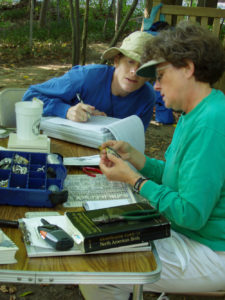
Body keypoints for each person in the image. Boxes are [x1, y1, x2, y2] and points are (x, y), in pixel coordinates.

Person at [79, 21, 225, 299]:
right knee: (96, 240)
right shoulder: (196, 111)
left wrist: (134, 179)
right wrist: (138, 159)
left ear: (188, 68)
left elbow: (190, 213)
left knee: (95, 268)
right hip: (191, 234)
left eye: (160, 75)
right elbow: (177, 177)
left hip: (211, 248)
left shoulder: (211, 122)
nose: (155, 86)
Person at [22, 31, 156, 131]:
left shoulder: (147, 97)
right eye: (130, 62)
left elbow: (134, 138)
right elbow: (30, 96)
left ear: (149, 74)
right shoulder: (86, 77)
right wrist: (66, 111)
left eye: (143, 66)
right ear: (116, 61)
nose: (135, 72)